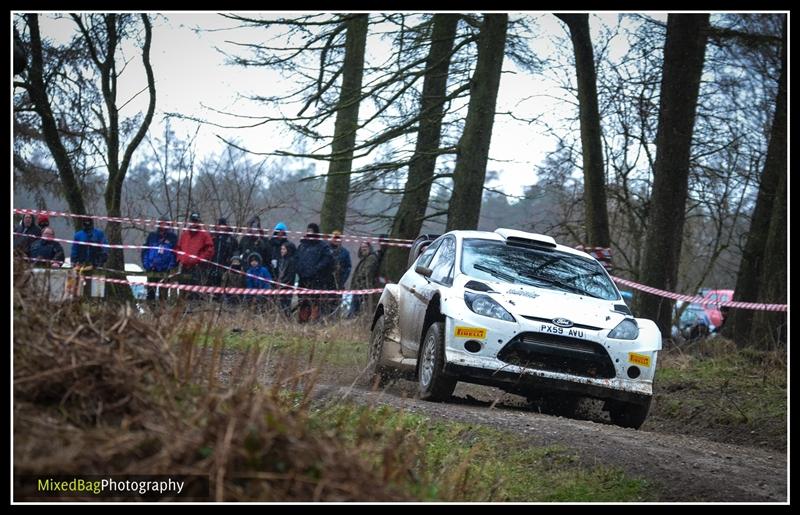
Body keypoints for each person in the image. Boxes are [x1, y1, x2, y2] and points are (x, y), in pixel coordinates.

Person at [295, 223, 334, 323]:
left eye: (311, 231)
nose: (309, 233)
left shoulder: (322, 246)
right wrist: (298, 269)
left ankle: (314, 322)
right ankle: (302, 322)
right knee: (302, 301)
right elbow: (297, 259)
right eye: (308, 231)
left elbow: (327, 260)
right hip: (303, 278)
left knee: (315, 302)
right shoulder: (302, 245)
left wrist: (316, 269)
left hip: (316, 280)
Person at [175, 212, 214, 300]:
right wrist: (180, 258)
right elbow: (178, 248)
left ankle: (195, 310)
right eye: (192, 221)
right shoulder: (185, 234)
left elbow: (210, 250)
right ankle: (182, 310)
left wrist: (200, 258)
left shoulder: (204, 234)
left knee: (195, 293)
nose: (194, 223)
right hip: (185, 267)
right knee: (183, 291)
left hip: (197, 268)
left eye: (196, 221)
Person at [142, 217, 178, 301]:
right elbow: (145, 250)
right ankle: (150, 311)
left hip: (165, 270)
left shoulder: (172, 237)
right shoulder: (152, 236)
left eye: (165, 223)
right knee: (150, 294)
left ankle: (161, 313)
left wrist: (170, 266)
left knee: (163, 295)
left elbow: (175, 253)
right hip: (152, 268)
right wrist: (146, 264)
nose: (163, 225)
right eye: (161, 223)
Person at [349, 241, 378, 318]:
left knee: (355, 310)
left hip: (364, 288)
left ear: (369, 248)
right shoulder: (364, 259)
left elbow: (365, 272)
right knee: (355, 309)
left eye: (365, 247)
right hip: (358, 288)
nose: (363, 249)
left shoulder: (371, 258)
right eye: (362, 247)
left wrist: (359, 282)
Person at [208, 217, 239, 288]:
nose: (221, 227)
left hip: (225, 266)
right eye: (220, 225)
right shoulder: (212, 237)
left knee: (224, 283)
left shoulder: (231, 239)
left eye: (223, 225)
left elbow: (235, 253)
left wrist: (233, 263)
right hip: (212, 264)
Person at [327, 230, 352, 316]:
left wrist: (342, 280)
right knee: (323, 303)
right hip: (325, 282)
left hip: (338, 282)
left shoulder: (344, 252)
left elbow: (348, 268)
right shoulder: (326, 250)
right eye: (334, 238)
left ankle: (335, 321)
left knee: (336, 305)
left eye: (338, 238)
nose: (336, 240)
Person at [276, 241, 298, 318]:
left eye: (284, 249)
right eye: (281, 249)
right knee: (280, 304)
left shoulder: (292, 261)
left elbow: (290, 275)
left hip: (287, 286)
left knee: (286, 304)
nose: (282, 251)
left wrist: (283, 283)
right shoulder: (281, 260)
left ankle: (286, 318)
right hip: (280, 285)